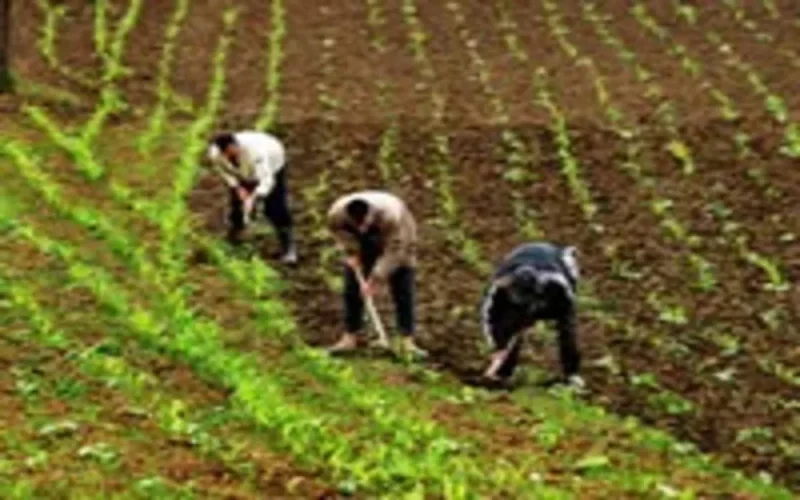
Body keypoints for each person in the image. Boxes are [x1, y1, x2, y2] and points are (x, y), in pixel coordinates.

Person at [326, 190, 427, 358]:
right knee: (352, 287)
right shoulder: (337, 213)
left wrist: (375, 279)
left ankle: (407, 342)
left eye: (363, 224)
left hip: (400, 237)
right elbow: (338, 233)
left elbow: (395, 250)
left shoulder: (391, 215)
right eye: (356, 224)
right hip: (362, 241)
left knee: (403, 285)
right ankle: (350, 337)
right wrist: (351, 252)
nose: (360, 227)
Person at [479, 242, 584, 388]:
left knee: (568, 329)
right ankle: (502, 373)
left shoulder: (557, 283)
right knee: (508, 325)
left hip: (555, 292)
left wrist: (538, 310)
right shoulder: (499, 286)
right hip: (523, 261)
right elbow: (488, 317)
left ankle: (572, 374)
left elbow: (568, 307)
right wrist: (498, 346)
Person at [206, 130, 297, 264]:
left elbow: (267, 180)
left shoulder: (256, 152)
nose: (228, 156)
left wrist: (254, 197)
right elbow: (224, 172)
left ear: (235, 145)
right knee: (236, 205)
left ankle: (288, 249)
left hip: (273, 163)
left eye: (231, 152)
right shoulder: (215, 154)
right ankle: (235, 238)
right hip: (242, 173)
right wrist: (238, 188)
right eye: (225, 154)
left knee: (275, 207)